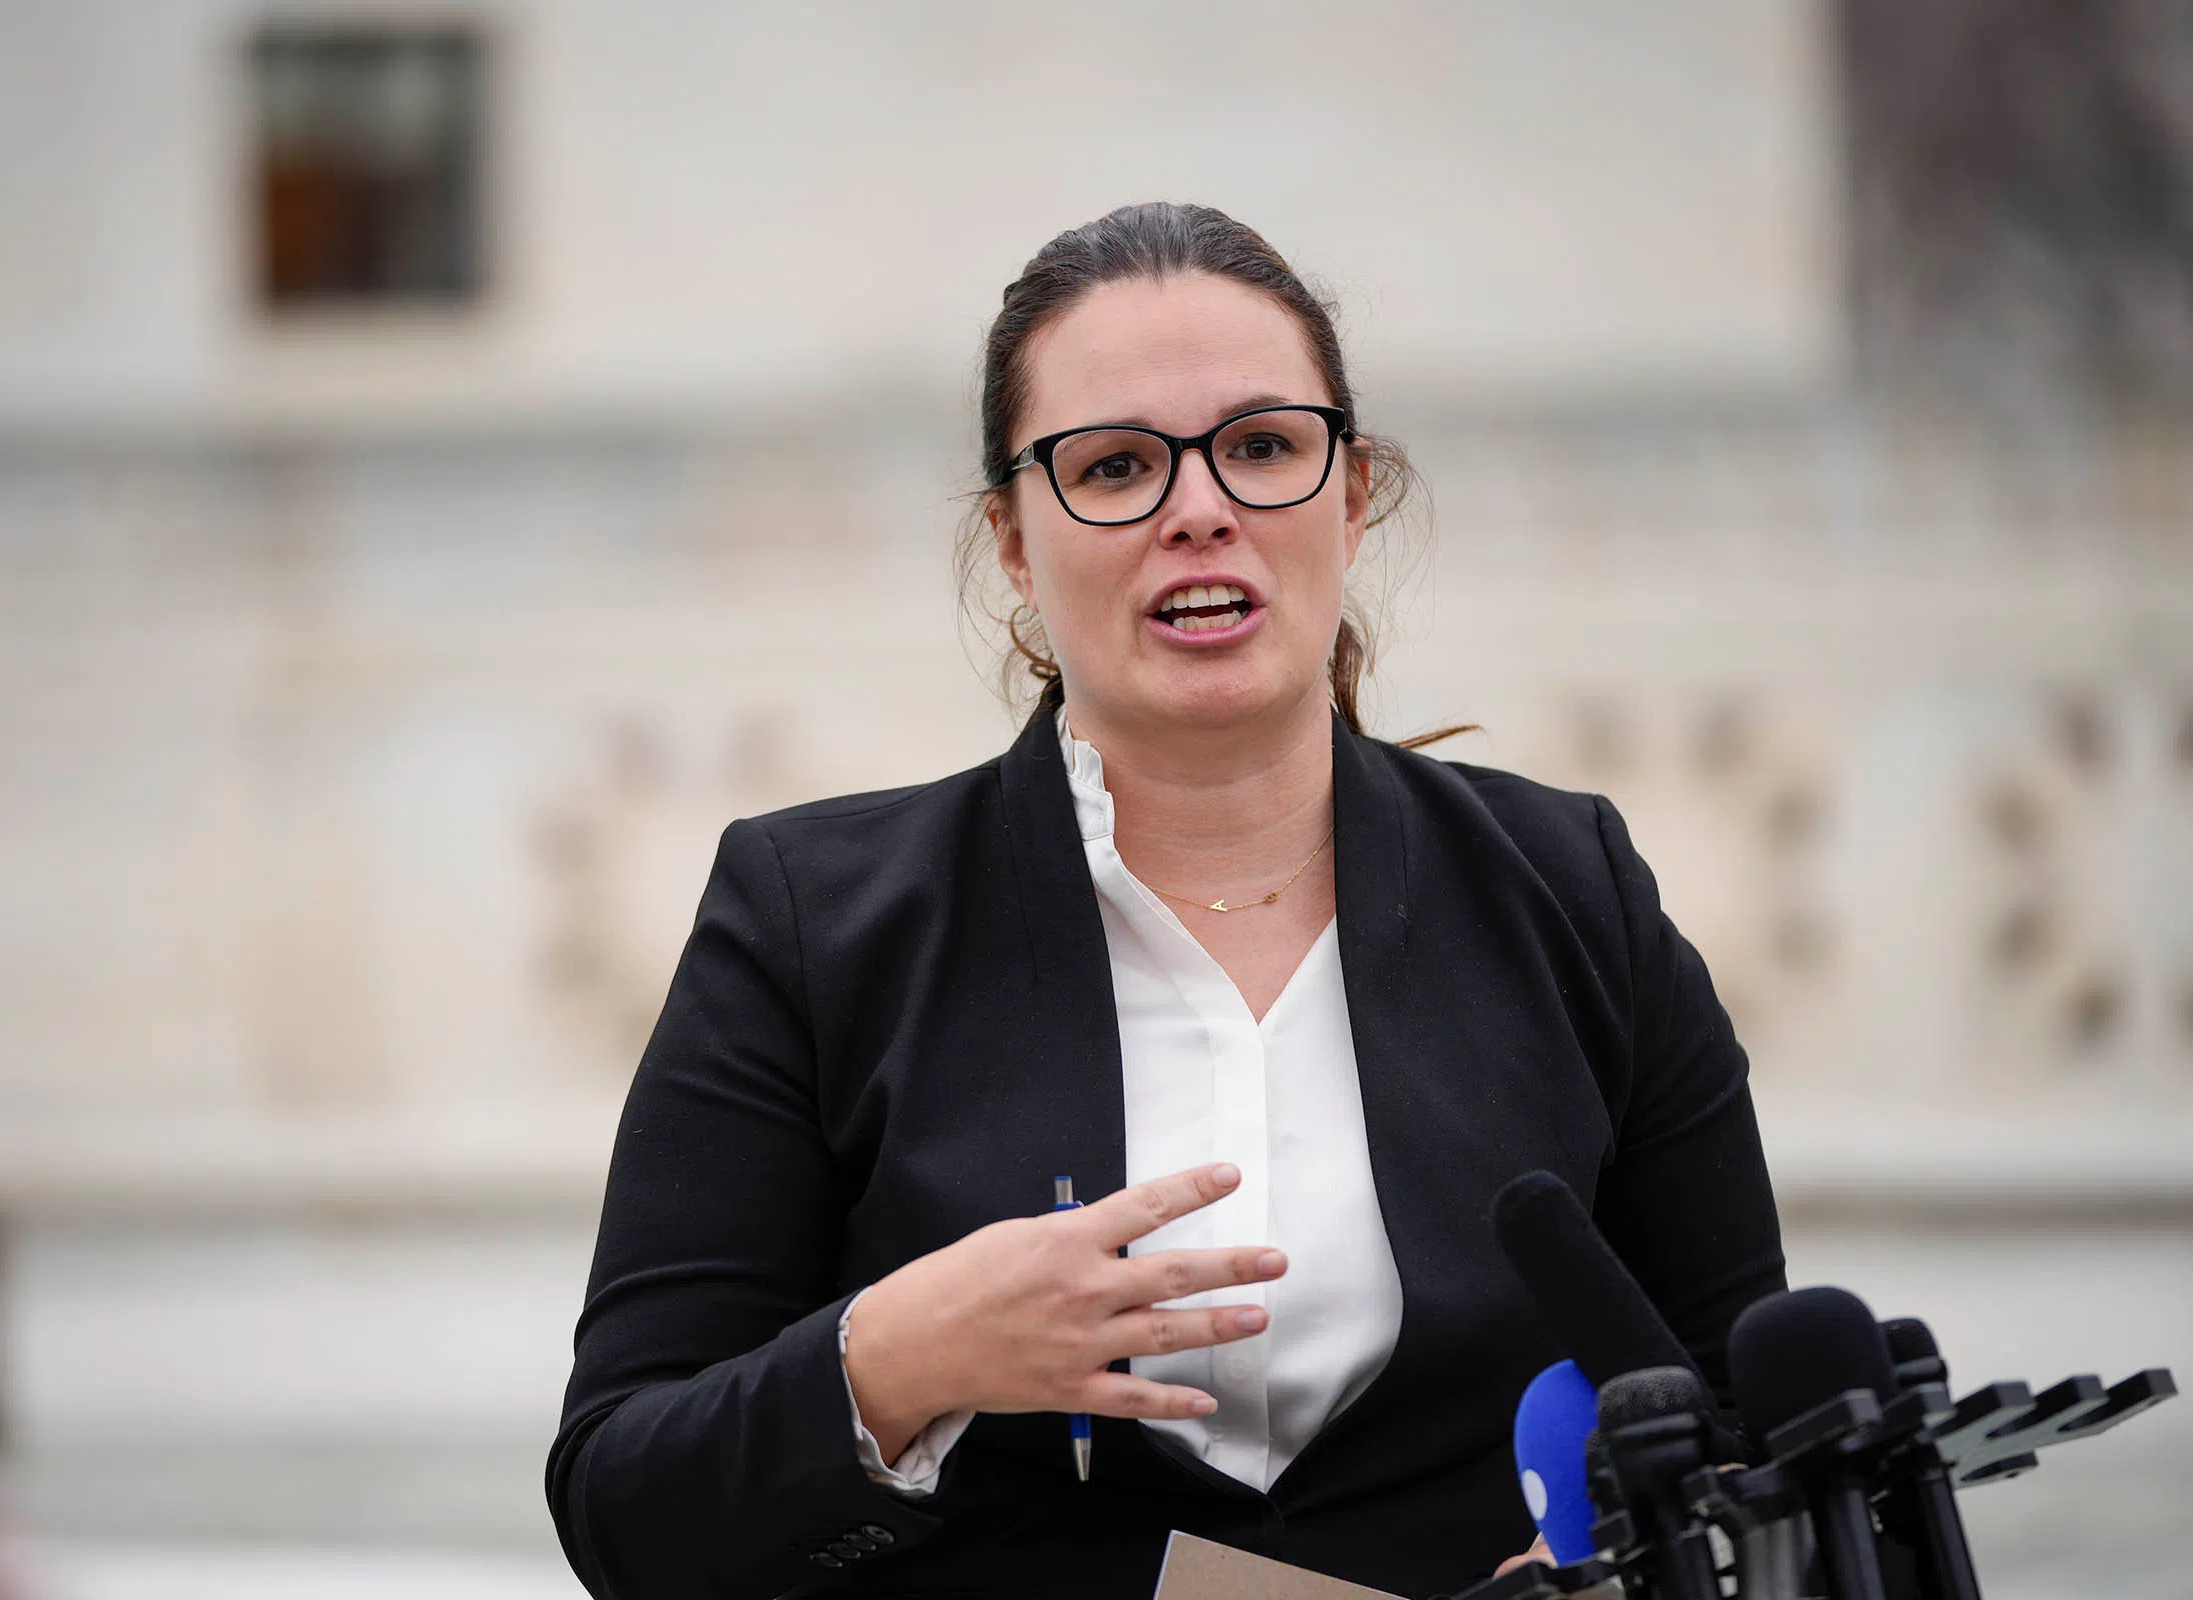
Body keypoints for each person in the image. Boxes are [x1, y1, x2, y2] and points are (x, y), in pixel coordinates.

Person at [546, 203, 1785, 1600]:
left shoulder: (1573, 891)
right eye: (1116, 466)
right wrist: (900, 1355)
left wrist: (1624, 1560)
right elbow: (622, 1507)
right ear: (1013, 541)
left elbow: (1756, 1418)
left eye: (1261, 446)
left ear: (1352, 494)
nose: (1200, 509)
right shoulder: (812, 922)